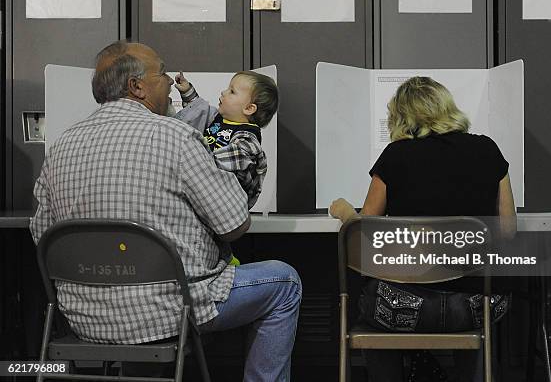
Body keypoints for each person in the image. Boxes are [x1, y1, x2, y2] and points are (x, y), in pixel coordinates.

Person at [30, 40, 301, 381]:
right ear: (137, 86)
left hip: (85, 317)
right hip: (168, 312)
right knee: (285, 281)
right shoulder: (177, 137)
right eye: (162, 73)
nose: (171, 81)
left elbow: (43, 236)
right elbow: (234, 225)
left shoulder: (61, 145)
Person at [329, 76, 516, 382]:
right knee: (482, 305)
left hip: (402, 306)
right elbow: (507, 229)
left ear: (401, 116)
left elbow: (365, 231)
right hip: (474, 307)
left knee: (368, 300)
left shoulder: (396, 155)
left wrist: (344, 211)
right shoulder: (487, 149)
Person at [173, 71, 278, 210]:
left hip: (224, 201)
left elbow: (234, 159)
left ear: (248, 108)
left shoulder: (247, 137)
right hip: (204, 187)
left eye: (232, 91)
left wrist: (195, 160)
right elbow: (199, 111)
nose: (223, 92)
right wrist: (187, 91)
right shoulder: (218, 119)